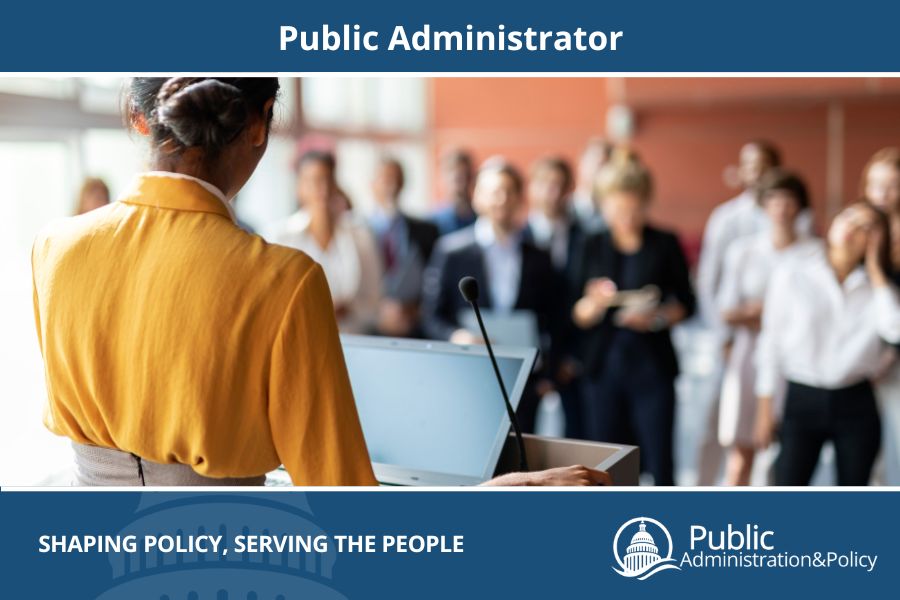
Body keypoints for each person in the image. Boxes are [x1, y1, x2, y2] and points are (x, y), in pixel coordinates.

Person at [31, 77, 607, 488]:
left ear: (138, 118)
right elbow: (346, 507)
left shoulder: (52, 247)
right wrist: (494, 499)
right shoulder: (283, 278)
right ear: (258, 126)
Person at [755, 202, 900, 485]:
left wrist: (875, 269)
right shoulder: (794, 272)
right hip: (801, 396)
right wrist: (765, 407)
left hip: (855, 400)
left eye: (866, 227)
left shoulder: (880, 290)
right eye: (849, 218)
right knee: (787, 488)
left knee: (852, 495)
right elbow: (770, 341)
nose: (853, 228)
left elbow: (895, 329)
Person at [694, 140, 812, 485]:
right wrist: (724, 337)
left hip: (792, 351)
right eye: (750, 164)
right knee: (726, 432)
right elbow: (711, 286)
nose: (781, 208)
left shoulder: (808, 240)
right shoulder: (728, 222)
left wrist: (768, 314)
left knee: (781, 440)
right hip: (740, 347)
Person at [573, 156, 696, 485]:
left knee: (660, 458)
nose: (626, 219)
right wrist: (595, 303)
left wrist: (656, 317)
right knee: (606, 461)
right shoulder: (590, 243)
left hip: (652, 364)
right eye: (617, 210)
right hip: (604, 365)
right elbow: (576, 313)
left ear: (645, 204)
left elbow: (687, 303)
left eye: (633, 210)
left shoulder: (664, 242)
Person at [422, 157, 563, 434]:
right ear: (477, 197)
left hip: (524, 378)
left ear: (520, 199)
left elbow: (555, 317)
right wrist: (456, 336)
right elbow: (431, 315)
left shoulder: (539, 256)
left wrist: (549, 373)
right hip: (470, 375)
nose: (501, 199)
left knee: (523, 462)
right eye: (493, 191)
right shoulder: (451, 252)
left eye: (509, 191)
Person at [271, 150, 382, 334]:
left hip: (352, 339)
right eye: (313, 181)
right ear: (299, 187)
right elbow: (274, 302)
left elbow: (375, 299)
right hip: (300, 338)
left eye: (327, 179)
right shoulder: (280, 237)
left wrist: (350, 310)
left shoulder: (361, 235)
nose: (322, 190)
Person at [523, 156, 587, 438]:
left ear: (571, 188)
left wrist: (570, 357)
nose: (553, 193)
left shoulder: (588, 237)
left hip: (576, 357)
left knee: (579, 437)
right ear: (532, 188)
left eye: (560, 185)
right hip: (531, 358)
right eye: (545, 185)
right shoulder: (518, 237)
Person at [860, 148, 900, 485]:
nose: (882, 194)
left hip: (894, 357)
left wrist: (891, 355)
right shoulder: (860, 228)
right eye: (875, 185)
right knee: (866, 453)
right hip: (862, 354)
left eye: (892, 185)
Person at [369, 156, 440, 338]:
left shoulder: (426, 230)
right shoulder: (357, 230)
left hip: (413, 326)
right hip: (370, 329)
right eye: (385, 179)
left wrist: (414, 309)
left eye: (396, 179)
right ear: (372, 184)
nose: (390, 186)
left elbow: (435, 280)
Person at [431, 148, 477, 235]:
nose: (462, 184)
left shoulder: (481, 218)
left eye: (466, 176)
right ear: (443, 178)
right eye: (457, 179)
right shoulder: (433, 221)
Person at [571, 137, 612, 231]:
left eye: (604, 164)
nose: (597, 168)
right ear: (580, 162)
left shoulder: (615, 215)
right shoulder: (561, 210)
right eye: (593, 160)